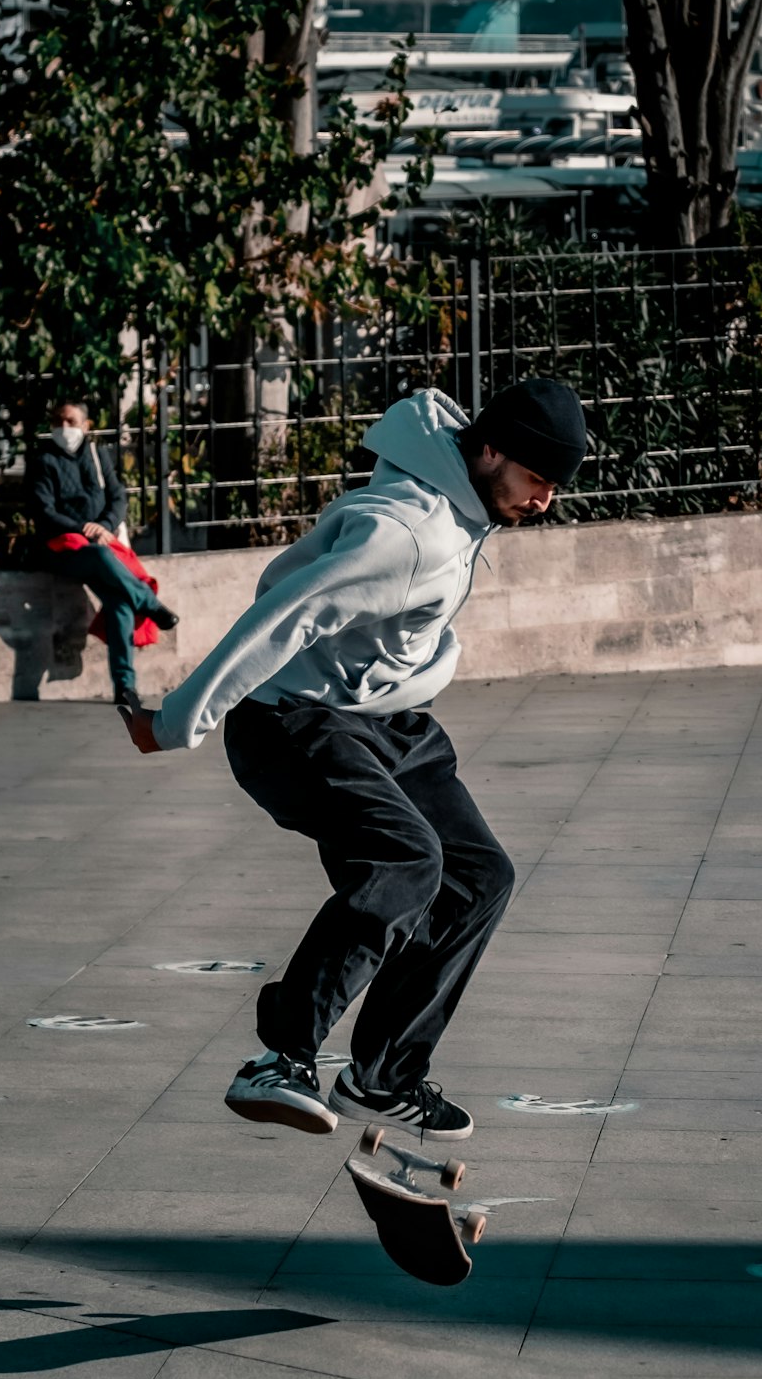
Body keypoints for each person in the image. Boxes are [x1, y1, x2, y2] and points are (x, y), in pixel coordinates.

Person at [120, 378, 587, 1142]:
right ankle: (282, 1057)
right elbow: (283, 614)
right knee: (404, 859)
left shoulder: (464, 494)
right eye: (538, 481)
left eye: (555, 487)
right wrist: (175, 721)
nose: (544, 502)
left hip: (387, 723)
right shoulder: (405, 531)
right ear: (491, 449)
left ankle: (383, 1076)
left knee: (478, 878)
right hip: (290, 721)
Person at [30, 400, 180, 703]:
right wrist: (83, 527)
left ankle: (125, 687)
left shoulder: (97, 456)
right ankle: (149, 603)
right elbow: (44, 511)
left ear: (86, 426)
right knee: (101, 560)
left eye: (71, 422)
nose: (64, 428)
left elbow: (117, 497)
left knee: (119, 602)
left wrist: (104, 526)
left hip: (100, 541)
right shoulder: (44, 461)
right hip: (65, 549)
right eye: (59, 422)